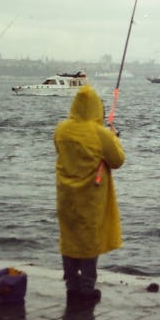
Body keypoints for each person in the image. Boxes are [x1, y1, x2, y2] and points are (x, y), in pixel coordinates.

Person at [54, 84, 125, 304]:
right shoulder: (100, 133)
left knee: (70, 239)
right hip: (91, 199)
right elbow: (118, 160)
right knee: (89, 242)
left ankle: (71, 287)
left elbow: (61, 149)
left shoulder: (61, 129)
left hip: (66, 197)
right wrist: (114, 139)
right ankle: (86, 289)